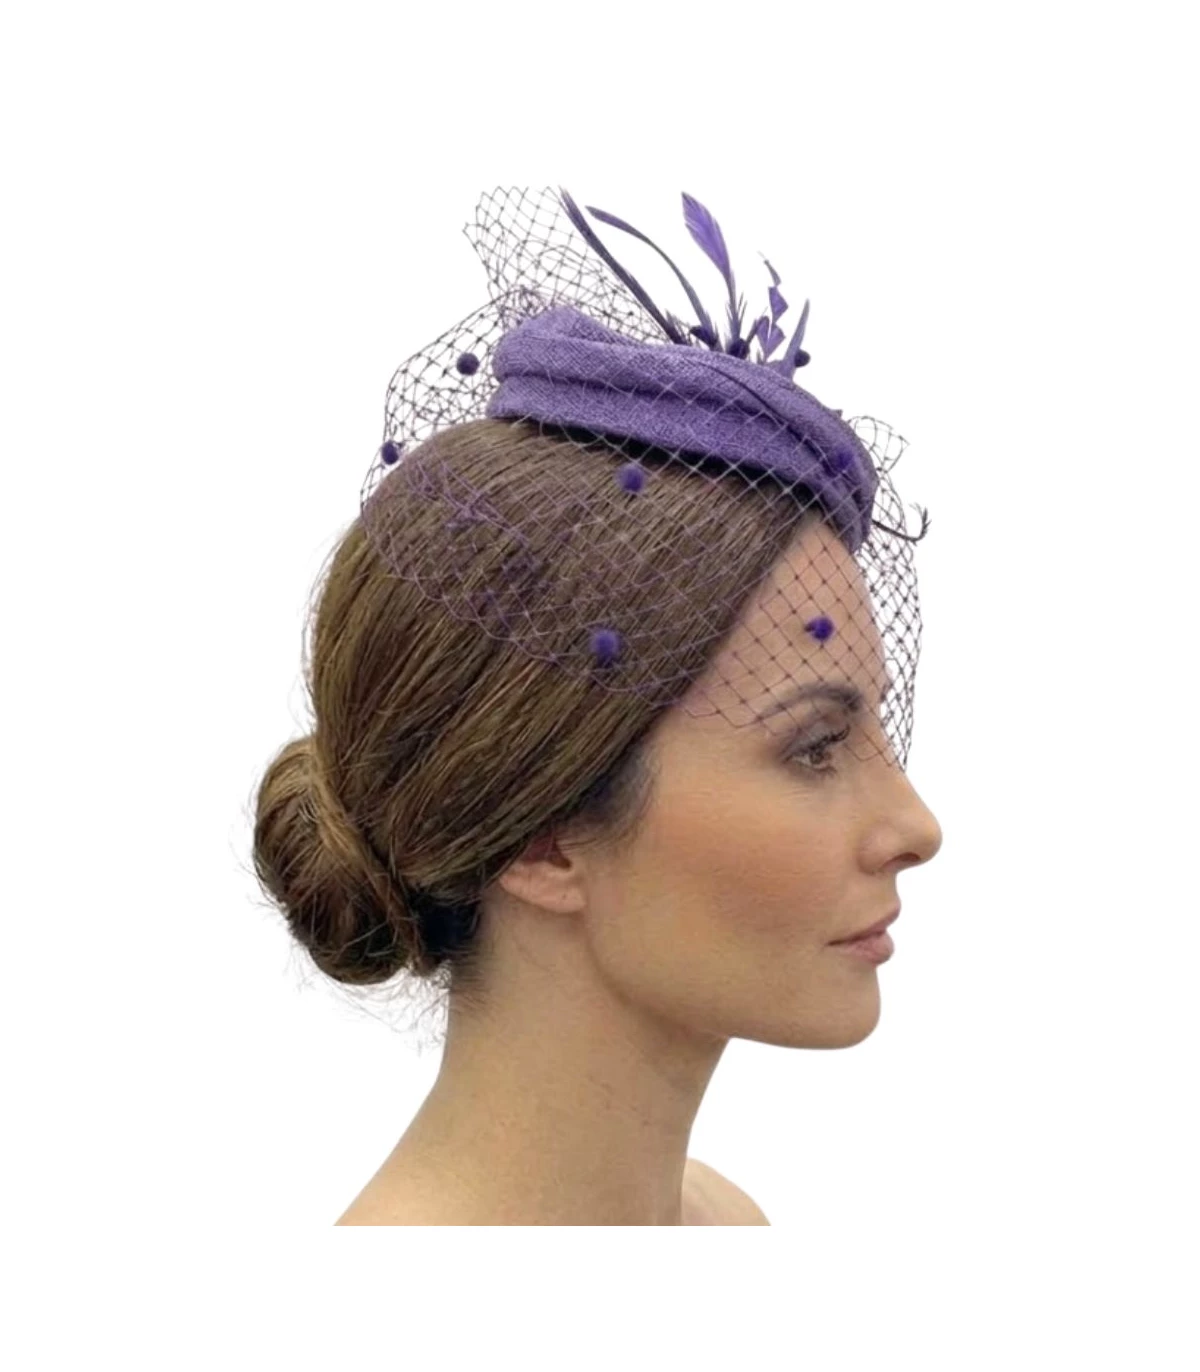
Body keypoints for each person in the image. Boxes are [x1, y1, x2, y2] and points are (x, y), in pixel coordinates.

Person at [251, 187, 943, 1225]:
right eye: (815, 746)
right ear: (543, 838)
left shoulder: (726, 1224)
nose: (916, 826)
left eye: (874, 728)